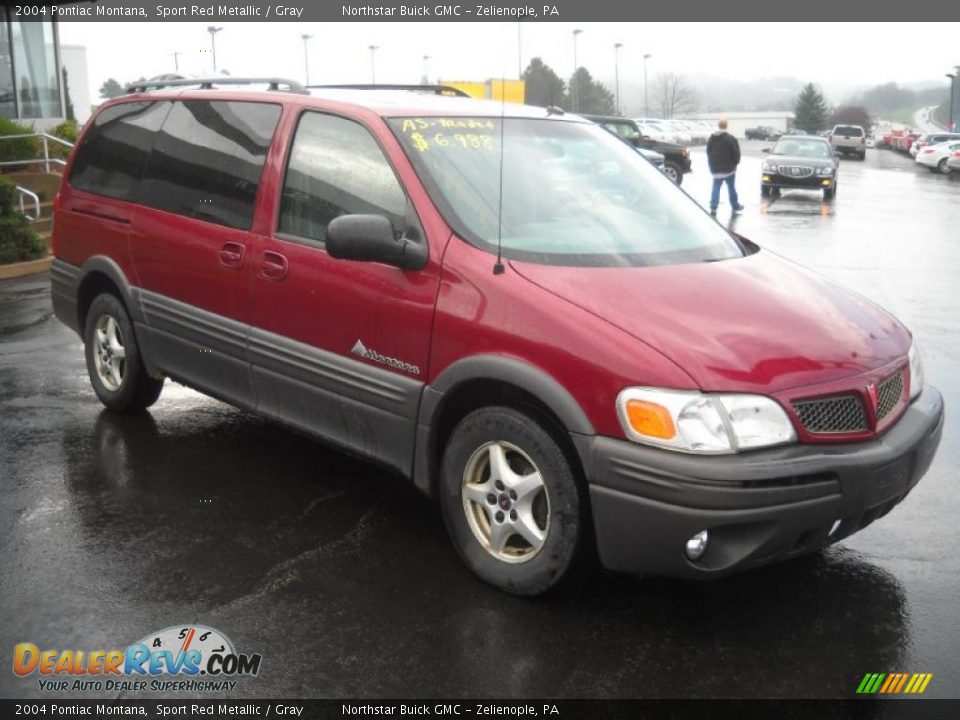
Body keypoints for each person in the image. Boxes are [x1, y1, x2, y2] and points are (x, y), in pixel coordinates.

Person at [706, 118, 744, 216]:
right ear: (726, 126)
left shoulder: (712, 138)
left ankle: (713, 207)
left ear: (719, 126)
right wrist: (735, 164)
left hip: (715, 170)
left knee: (716, 188)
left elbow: (708, 152)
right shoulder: (731, 138)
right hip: (729, 170)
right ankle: (735, 206)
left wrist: (712, 164)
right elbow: (736, 154)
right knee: (731, 188)